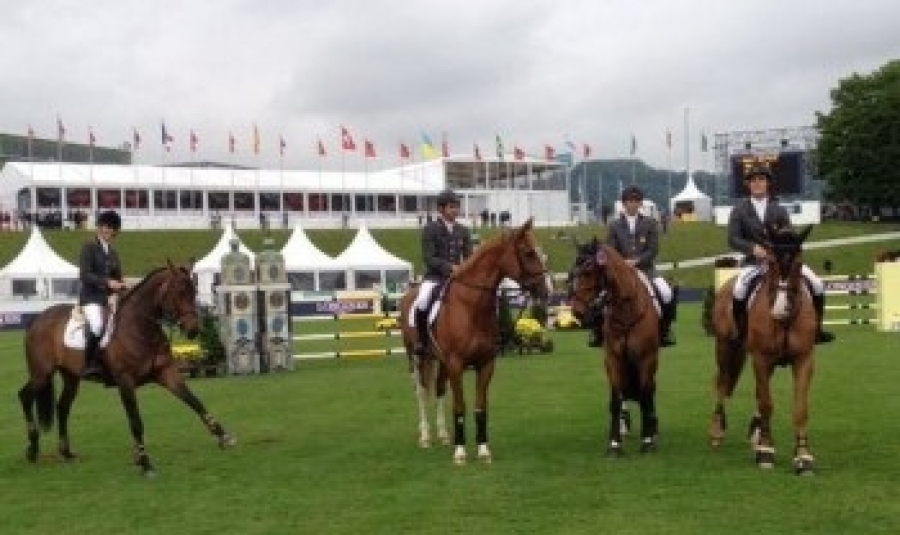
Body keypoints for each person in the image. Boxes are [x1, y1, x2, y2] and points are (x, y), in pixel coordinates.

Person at [728, 163, 835, 344]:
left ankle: (818, 329)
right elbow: (733, 239)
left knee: (816, 283)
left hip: (781, 263)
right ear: (748, 184)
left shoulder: (779, 209)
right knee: (739, 289)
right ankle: (741, 331)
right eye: (753, 180)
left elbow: (789, 236)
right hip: (754, 263)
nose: (757, 183)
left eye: (761, 179)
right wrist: (753, 249)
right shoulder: (739, 211)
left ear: (768, 183)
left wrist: (782, 250)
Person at [605, 186, 678, 347]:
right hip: (622, 272)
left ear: (640, 204)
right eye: (630, 201)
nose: (633, 204)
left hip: (646, 269)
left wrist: (637, 261)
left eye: (636, 201)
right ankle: (597, 332)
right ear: (624, 204)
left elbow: (653, 250)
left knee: (666, 293)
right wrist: (622, 263)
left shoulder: (650, 223)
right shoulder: (615, 226)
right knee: (603, 297)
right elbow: (610, 249)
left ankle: (665, 330)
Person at [409, 189, 472, 356]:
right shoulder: (430, 229)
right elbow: (429, 258)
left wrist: (467, 268)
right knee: (422, 300)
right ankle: (422, 341)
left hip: (457, 279)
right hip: (435, 277)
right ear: (441, 209)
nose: (455, 210)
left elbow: (469, 256)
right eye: (451, 207)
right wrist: (450, 267)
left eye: (457, 207)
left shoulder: (463, 231)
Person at [79, 210, 126, 378]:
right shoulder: (89, 247)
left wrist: (122, 284)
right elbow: (84, 275)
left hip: (108, 300)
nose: (108, 230)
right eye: (105, 226)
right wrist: (107, 282)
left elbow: (118, 277)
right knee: (98, 325)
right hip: (91, 298)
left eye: (111, 227)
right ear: (99, 228)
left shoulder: (113, 253)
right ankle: (88, 364)